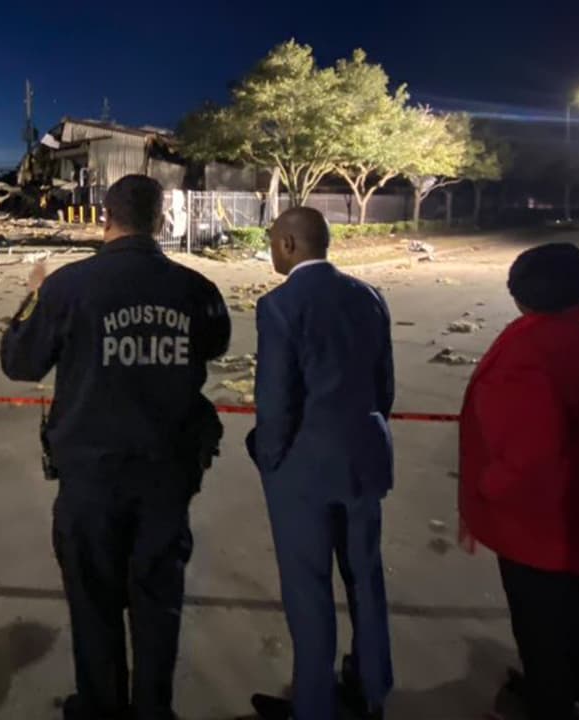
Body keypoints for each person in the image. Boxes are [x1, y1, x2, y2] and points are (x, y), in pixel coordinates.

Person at [0, 174, 231, 720]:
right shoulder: (196, 289)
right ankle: (154, 710)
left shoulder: (66, 287)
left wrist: (32, 297)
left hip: (90, 480)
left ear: (105, 217)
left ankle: (101, 708)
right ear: (159, 221)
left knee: (94, 603)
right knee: (158, 604)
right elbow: (216, 344)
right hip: (166, 478)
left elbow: (20, 363)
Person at [458, 243, 579, 720]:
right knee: (564, 607)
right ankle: (564, 686)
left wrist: (488, 489)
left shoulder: (523, 352)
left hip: (535, 519)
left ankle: (551, 703)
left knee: (537, 617)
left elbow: (531, 451)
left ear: (520, 296)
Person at [246, 207, 395, 720]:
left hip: (303, 470)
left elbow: (275, 399)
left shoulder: (280, 306)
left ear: (289, 243)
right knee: (365, 576)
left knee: (308, 589)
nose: (269, 251)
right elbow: (385, 386)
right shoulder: (369, 297)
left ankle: (314, 705)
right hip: (364, 456)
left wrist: (267, 457)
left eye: (271, 241)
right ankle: (373, 688)